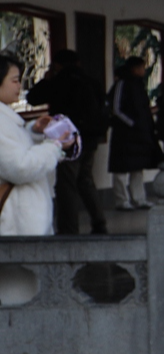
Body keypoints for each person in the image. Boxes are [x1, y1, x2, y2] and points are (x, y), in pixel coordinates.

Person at [25, 49, 108, 234]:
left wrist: (46, 79)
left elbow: (32, 98)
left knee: (67, 183)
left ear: (57, 65)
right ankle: (99, 222)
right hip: (90, 139)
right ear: (78, 62)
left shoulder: (59, 81)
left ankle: (69, 230)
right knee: (86, 180)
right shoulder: (92, 82)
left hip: (67, 140)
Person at [0, 51, 68, 236]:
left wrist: (34, 132)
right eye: (14, 80)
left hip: (21, 222)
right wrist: (54, 147)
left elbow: (13, 147)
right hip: (16, 225)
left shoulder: (6, 117)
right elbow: (20, 167)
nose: (19, 86)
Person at [105, 56, 156, 210]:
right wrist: (131, 123)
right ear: (133, 69)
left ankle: (139, 199)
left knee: (137, 167)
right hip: (123, 133)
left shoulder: (139, 85)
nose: (143, 70)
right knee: (120, 169)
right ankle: (122, 201)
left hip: (138, 133)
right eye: (141, 67)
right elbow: (116, 109)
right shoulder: (122, 83)